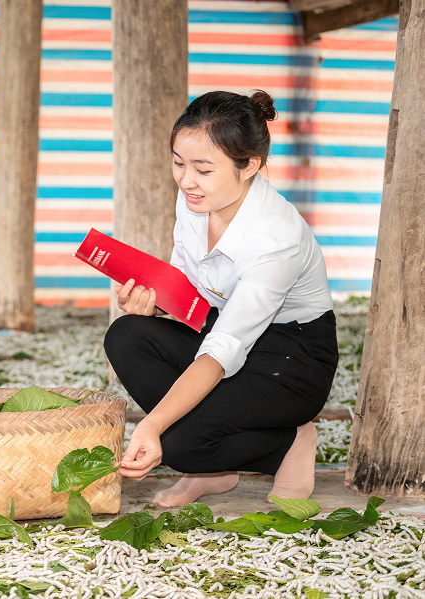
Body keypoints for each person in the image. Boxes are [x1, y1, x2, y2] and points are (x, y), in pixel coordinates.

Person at [104, 90, 337, 507]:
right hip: (223, 324)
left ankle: (288, 443)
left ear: (249, 166)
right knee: (126, 335)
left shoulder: (275, 238)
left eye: (203, 169)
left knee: (178, 443)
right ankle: (215, 469)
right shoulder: (196, 199)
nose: (186, 180)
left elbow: (221, 351)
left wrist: (152, 426)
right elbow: (190, 288)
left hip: (291, 357)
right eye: (178, 163)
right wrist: (154, 304)